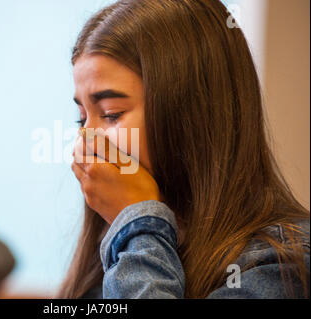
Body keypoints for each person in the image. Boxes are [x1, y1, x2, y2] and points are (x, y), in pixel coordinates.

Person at [57, 0, 310, 299]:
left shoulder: (281, 263)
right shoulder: (111, 249)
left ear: (192, 113)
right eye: (82, 118)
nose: (86, 143)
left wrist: (137, 221)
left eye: (111, 113)